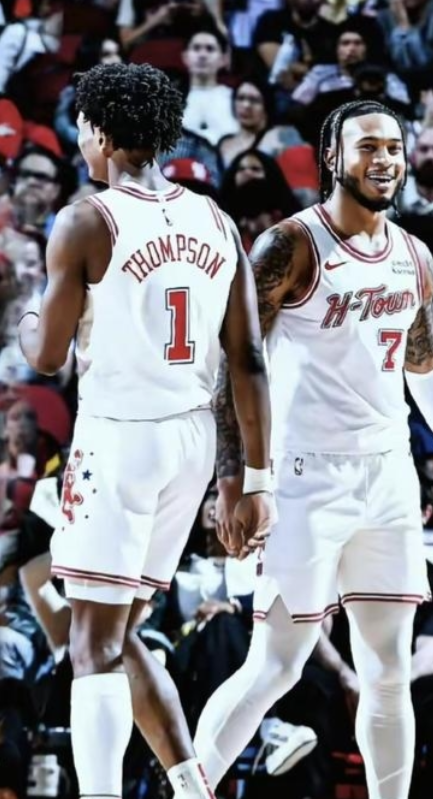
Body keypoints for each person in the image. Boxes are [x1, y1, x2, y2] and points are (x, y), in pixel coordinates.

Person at [194, 99, 433, 799]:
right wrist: (237, 478)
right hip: (303, 477)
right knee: (275, 664)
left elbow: (426, 371)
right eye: (368, 146)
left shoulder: (413, 256)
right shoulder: (290, 245)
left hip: (388, 476)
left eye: (394, 147)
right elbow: (236, 363)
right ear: (333, 159)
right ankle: (186, 789)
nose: (385, 159)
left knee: (389, 672)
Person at [17, 62, 274, 799]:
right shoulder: (216, 220)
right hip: (191, 442)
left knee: (91, 642)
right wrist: (251, 479)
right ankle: (191, 786)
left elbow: (45, 355)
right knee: (119, 633)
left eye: (82, 130)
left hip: (120, 438)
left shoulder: (86, 219)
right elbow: (248, 360)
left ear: (99, 134)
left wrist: (30, 308)